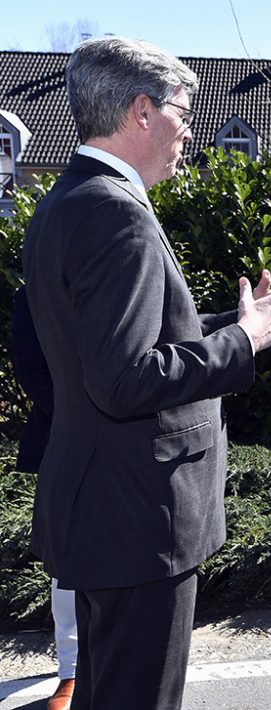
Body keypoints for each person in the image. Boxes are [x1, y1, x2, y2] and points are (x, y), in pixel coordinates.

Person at [22, 37, 271, 710]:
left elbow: (101, 348)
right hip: (138, 522)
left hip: (103, 512)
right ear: (140, 111)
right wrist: (247, 340)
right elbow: (126, 379)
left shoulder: (67, 200)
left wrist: (243, 321)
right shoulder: (115, 215)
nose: (190, 131)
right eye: (183, 113)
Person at [11, 287, 77, 710]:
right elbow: (33, 371)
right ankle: (71, 672)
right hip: (66, 441)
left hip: (139, 447)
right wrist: (87, 419)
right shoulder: (35, 290)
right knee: (68, 563)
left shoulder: (127, 271)